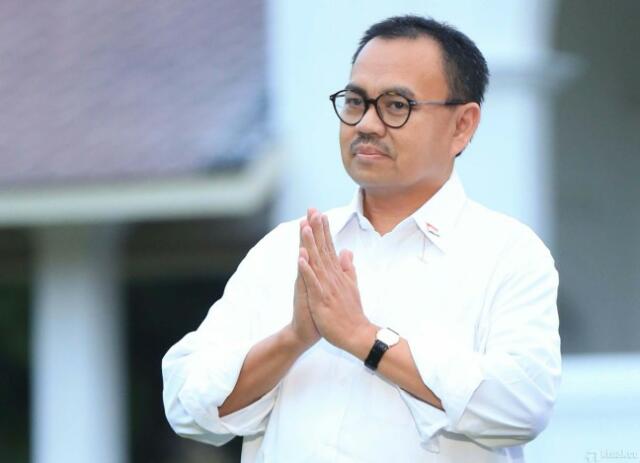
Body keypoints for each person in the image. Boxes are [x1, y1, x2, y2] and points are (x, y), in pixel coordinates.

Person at [162, 15, 561, 462]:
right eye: (355, 102)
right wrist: (293, 338)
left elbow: (521, 405)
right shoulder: (287, 249)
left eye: (396, 105)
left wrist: (366, 339)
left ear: (462, 126)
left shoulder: (508, 253)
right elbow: (185, 404)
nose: (367, 123)